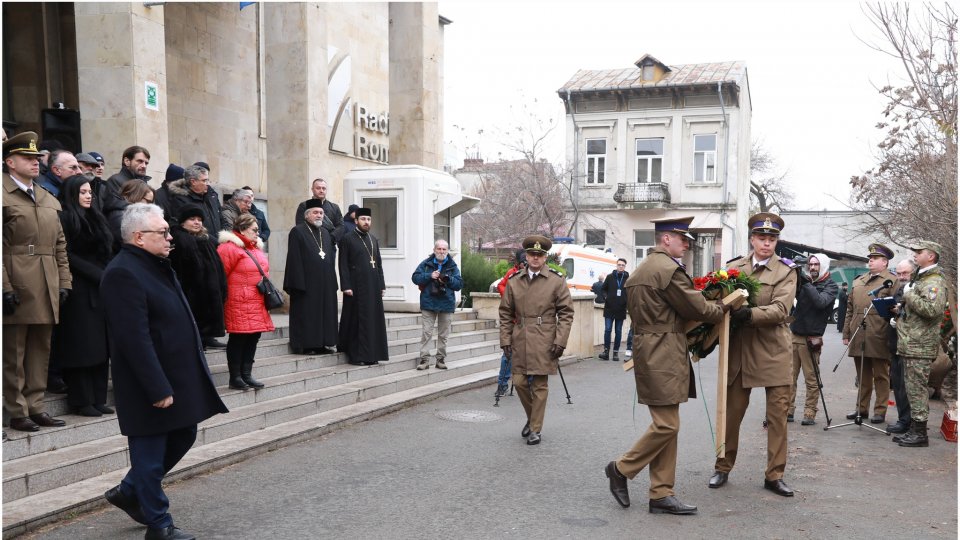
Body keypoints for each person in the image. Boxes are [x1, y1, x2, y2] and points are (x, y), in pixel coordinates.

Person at [100, 203, 227, 540]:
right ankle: (159, 526)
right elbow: (133, 338)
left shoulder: (154, 265)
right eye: (163, 232)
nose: (171, 237)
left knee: (184, 433)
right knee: (150, 454)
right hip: (149, 381)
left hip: (177, 373)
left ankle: (130, 491)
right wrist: (156, 387)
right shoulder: (122, 272)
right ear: (139, 237)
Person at [604, 217, 725, 515]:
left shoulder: (641, 270)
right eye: (683, 239)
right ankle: (620, 468)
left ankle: (660, 492)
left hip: (651, 348)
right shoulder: (668, 270)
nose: (687, 245)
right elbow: (695, 308)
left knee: (668, 423)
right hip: (663, 350)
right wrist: (724, 308)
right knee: (667, 424)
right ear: (666, 239)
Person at [709, 212, 798, 497]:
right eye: (762, 238)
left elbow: (781, 310)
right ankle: (722, 466)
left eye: (772, 239)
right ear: (752, 239)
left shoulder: (786, 270)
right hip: (740, 351)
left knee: (777, 417)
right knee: (731, 414)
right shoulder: (735, 267)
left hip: (773, 350)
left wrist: (748, 314)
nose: (767, 243)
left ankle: (775, 475)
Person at [2, 132, 72, 432]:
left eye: (35, 158)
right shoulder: (4, 194)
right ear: (9, 162)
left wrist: (64, 281)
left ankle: (36, 405)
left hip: (46, 279)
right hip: (17, 278)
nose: (35, 163)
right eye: (27, 158)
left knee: (40, 349)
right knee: (14, 351)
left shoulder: (46, 197)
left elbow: (59, 244)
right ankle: (17, 410)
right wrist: (4, 287)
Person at [499, 235, 574, 445]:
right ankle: (533, 419)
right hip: (520, 336)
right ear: (527, 256)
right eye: (532, 254)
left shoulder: (556, 281)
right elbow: (505, 313)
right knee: (520, 382)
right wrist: (505, 339)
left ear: (545, 257)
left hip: (544, 337)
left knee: (540, 384)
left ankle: (535, 429)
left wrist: (560, 340)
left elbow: (567, 313)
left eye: (539, 255)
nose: (535, 258)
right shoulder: (515, 281)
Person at [52, 175, 116, 417]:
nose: (88, 195)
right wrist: (97, 274)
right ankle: (81, 400)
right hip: (78, 288)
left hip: (100, 286)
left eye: (90, 191)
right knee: (82, 345)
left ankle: (98, 398)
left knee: (100, 346)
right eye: (83, 192)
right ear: (71, 194)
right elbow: (66, 253)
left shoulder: (96, 217)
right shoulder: (66, 218)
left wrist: (107, 273)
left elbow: (107, 249)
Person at [894, 241, 949, 447]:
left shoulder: (934, 281)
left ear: (931, 256)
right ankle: (914, 429)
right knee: (912, 388)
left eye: (919, 252)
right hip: (911, 343)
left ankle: (920, 434)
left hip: (921, 345)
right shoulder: (921, 278)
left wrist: (908, 294)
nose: (914, 255)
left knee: (917, 389)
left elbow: (931, 310)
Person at [217, 213, 275, 390]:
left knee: (253, 337)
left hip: (256, 300)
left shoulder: (255, 248)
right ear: (242, 229)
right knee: (239, 338)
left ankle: (247, 374)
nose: (258, 233)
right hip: (238, 301)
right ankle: (235, 377)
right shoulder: (229, 248)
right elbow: (220, 276)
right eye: (254, 229)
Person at [842, 243, 897, 423]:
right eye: (870, 258)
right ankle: (861, 408)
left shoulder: (891, 281)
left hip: (880, 333)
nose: (870, 261)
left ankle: (880, 411)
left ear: (885, 262)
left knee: (881, 375)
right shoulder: (858, 281)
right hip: (858, 332)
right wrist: (846, 333)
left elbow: (897, 308)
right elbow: (850, 309)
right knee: (862, 374)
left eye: (875, 259)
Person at [787, 254, 838, 425]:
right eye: (810, 264)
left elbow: (820, 302)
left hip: (812, 338)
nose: (813, 267)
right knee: (789, 377)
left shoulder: (830, 286)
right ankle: (788, 410)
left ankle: (810, 412)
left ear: (823, 265)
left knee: (812, 379)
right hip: (795, 333)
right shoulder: (807, 281)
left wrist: (807, 283)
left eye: (816, 264)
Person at [169, 204, 228, 350]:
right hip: (191, 292)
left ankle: (207, 336)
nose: (197, 222)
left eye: (199, 219)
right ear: (182, 222)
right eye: (192, 219)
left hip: (209, 289)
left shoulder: (206, 239)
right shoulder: (180, 240)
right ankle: (200, 337)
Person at [283, 201, 339, 355]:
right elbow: (294, 259)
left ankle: (323, 344)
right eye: (315, 213)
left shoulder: (326, 233)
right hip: (306, 283)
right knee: (309, 314)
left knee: (324, 314)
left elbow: (329, 259)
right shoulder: (298, 232)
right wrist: (297, 284)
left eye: (321, 213)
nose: (319, 216)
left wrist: (333, 281)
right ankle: (307, 345)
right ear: (307, 215)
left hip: (325, 283)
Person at [337, 208, 389, 365]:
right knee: (358, 322)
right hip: (356, 288)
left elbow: (378, 264)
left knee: (373, 321)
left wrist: (382, 285)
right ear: (356, 221)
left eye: (369, 219)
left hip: (373, 287)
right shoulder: (347, 239)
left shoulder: (373, 239)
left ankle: (372, 355)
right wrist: (346, 286)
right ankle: (358, 356)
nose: (367, 222)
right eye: (363, 219)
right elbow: (343, 265)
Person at [412, 239, 464, 370]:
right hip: (428, 303)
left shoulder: (453, 266)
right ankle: (424, 360)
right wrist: (430, 275)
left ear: (447, 251)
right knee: (426, 333)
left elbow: (459, 285)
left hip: (446, 304)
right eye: (439, 249)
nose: (441, 252)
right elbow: (415, 278)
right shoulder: (426, 264)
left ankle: (440, 359)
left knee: (443, 335)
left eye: (444, 249)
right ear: (434, 250)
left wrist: (448, 278)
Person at [886, 259, 917, 434]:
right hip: (896, 344)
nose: (901, 276)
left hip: (911, 345)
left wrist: (900, 317)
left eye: (905, 273)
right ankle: (903, 419)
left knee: (909, 386)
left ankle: (911, 421)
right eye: (898, 273)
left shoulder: (917, 288)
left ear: (913, 272)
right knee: (898, 385)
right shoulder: (900, 288)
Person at [494, 249, 526, 397]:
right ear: (518, 263)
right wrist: (509, 297)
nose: (525, 265)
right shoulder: (511, 274)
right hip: (514, 320)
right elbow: (500, 286)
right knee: (508, 354)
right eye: (522, 262)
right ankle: (502, 384)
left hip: (529, 322)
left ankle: (528, 383)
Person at [167, 164, 222, 238]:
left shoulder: (212, 196)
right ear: (193, 182)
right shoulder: (181, 200)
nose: (208, 184)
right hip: (200, 244)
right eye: (204, 181)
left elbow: (221, 218)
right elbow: (185, 229)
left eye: (207, 180)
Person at [106, 180, 156, 252]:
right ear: (136, 196)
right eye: (148, 201)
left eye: (151, 202)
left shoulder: (131, 214)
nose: (150, 206)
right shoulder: (120, 216)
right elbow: (130, 245)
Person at [102, 146, 151, 216]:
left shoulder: (144, 183)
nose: (144, 166)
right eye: (140, 161)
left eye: (146, 163)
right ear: (127, 161)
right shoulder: (115, 181)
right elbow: (115, 208)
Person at [599, 259, 629, 360]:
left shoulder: (628, 278)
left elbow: (630, 291)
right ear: (616, 265)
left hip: (621, 309)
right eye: (619, 265)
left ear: (625, 267)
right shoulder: (610, 277)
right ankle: (606, 352)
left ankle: (615, 352)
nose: (621, 266)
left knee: (618, 331)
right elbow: (603, 289)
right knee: (607, 330)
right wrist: (606, 297)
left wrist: (627, 301)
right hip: (609, 308)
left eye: (623, 265)